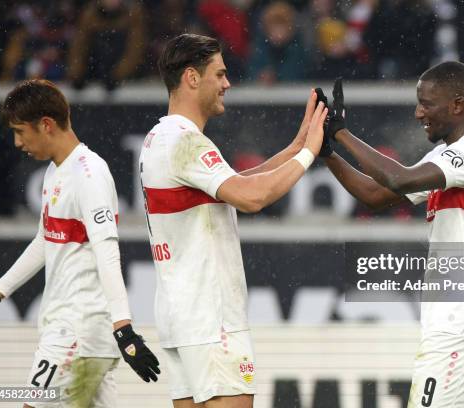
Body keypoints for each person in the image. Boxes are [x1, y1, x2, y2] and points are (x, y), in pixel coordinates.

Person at [139, 33, 326, 408]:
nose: (227, 84)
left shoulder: (159, 137)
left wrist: (293, 147)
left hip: (182, 319)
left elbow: (238, 185)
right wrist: (309, 154)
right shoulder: (186, 142)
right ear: (192, 77)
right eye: (220, 74)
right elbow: (252, 197)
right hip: (212, 320)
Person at [320, 62, 464, 407]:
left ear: (457, 104)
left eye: (427, 103)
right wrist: (328, 153)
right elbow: (375, 195)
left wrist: (341, 133)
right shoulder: (446, 155)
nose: (418, 112)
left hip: (462, 320)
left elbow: (399, 179)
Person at [0, 79, 160, 407]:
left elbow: (108, 253)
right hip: (86, 338)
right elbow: (44, 240)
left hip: (74, 334)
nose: (17, 143)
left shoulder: (89, 176)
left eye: (21, 132)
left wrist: (124, 329)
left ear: (46, 125)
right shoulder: (56, 172)